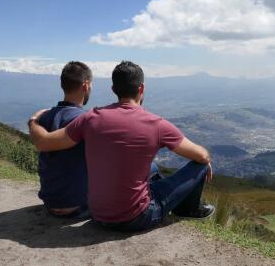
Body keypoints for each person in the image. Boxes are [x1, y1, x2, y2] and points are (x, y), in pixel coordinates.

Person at [28, 61, 215, 231]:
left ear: (113, 89)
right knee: (199, 166)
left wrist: (34, 121)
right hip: (137, 218)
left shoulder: (90, 118)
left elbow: (44, 142)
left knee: (153, 168)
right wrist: (204, 161)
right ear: (142, 88)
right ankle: (188, 209)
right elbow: (202, 156)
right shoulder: (157, 124)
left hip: (97, 214)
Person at [36, 61, 92, 218]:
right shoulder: (85, 120)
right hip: (79, 206)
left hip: (50, 204)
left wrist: (33, 121)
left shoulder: (44, 117)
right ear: (86, 85)